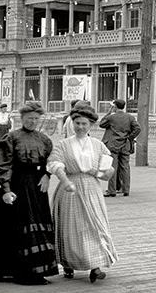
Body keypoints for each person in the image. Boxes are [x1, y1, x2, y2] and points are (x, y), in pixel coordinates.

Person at [0, 101, 58, 284]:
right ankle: (18, 271)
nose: (33, 122)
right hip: (17, 186)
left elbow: (51, 161)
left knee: (37, 223)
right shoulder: (11, 138)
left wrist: (47, 176)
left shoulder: (44, 140)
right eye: (29, 118)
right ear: (21, 118)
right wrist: (6, 189)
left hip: (38, 188)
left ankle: (38, 269)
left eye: (36, 119)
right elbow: (4, 165)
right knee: (14, 225)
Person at [47, 103, 118, 282]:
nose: (80, 127)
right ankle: (68, 265)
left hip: (91, 188)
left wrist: (105, 172)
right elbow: (55, 164)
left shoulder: (98, 145)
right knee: (70, 227)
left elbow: (106, 171)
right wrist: (65, 181)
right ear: (72, 123)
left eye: (84, 124)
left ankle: (96, 266)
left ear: (90, 125)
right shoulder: (63, 145)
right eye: (77, 123)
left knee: (93, 225)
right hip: (69, 188)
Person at [98, 98, 142, 197]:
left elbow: (101, 124)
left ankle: (112, 190)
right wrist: (130, 137)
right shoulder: (130, 117)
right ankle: (126, 189)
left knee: (113, 167)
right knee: (125, 167)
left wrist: (109, 112)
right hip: (125, 144)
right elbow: (138, 128)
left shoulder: (112, 118)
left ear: (115, 106)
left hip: (113, 144)